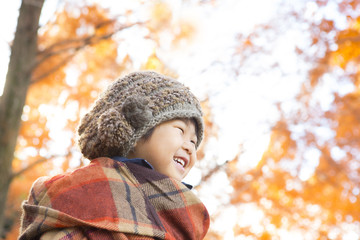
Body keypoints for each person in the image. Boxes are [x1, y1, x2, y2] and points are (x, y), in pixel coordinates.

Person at [18, 71, 210, 240]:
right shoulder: (90, 195)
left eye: (194, 141)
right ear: (136, 132)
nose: (189, 147)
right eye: (180, 130)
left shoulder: (181, 211)